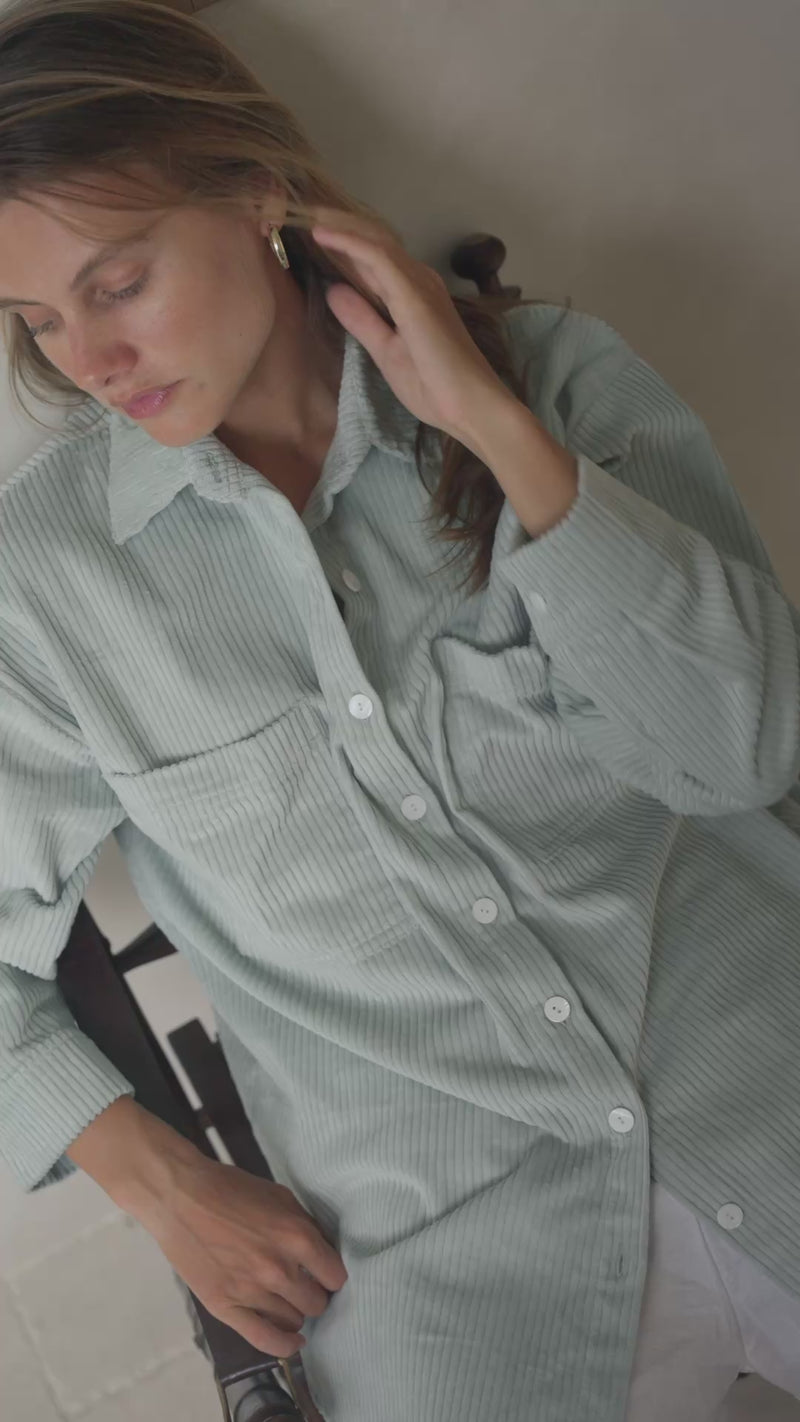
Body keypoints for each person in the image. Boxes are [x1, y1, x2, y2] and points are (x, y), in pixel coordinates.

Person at [0, 2, 798, 1420]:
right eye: (38, 322)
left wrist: (496, 429)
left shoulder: (548, 372)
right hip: (457, 1258)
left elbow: (744, 747)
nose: (90, 363)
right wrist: (163, 1182)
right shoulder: (46, 585)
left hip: (765, 1075)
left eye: (116, 284)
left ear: (257, 193)